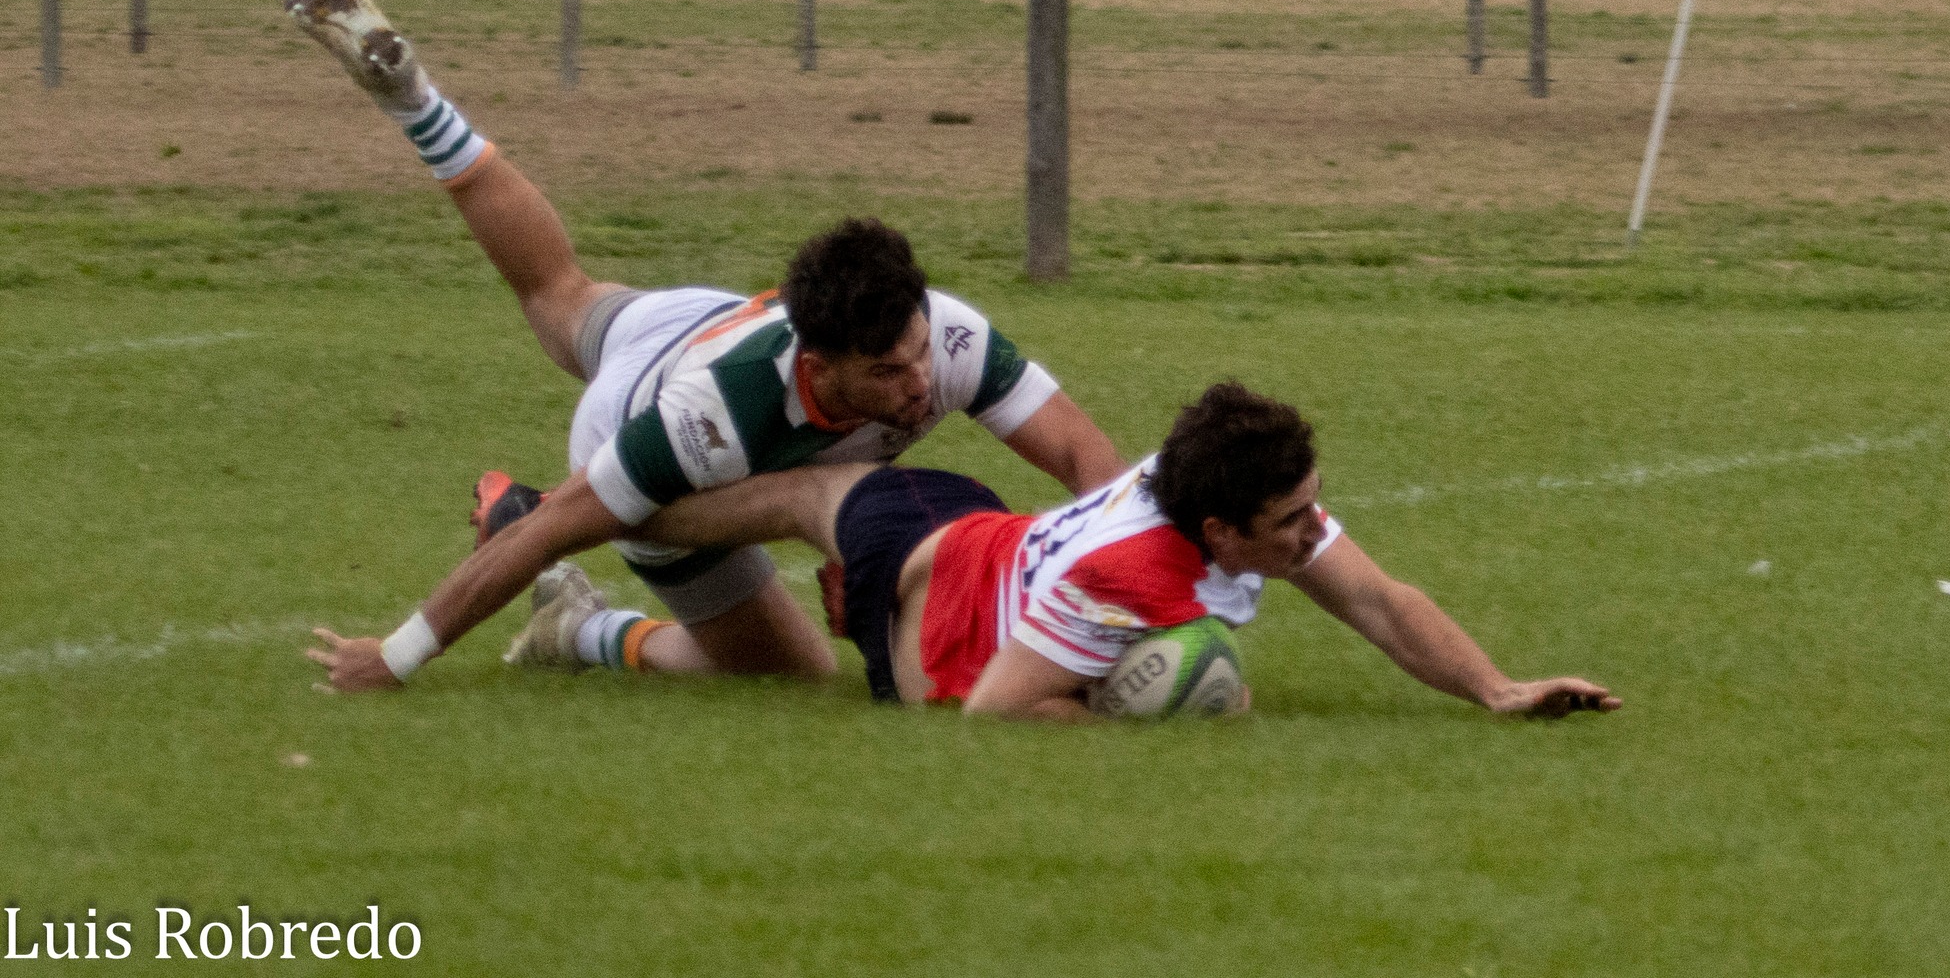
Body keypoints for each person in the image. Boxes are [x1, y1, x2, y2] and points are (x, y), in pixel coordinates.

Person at [282, 0, 1124, 686]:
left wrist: (1119, 590)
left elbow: (1089, 460)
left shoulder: (942, 337)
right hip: (640, 419)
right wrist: (392, 657)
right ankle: (576, 626)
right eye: (889, 375)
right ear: (824, 366)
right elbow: (552, 535)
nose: (920, 384)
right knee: (787, 667)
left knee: (558, 287)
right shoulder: (710, 423)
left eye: (917, 354)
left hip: (697, 322)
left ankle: (418, 105)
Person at [314, 378, 1619, 725]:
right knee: (786, 502)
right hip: (912, 581)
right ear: (1218, 531)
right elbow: (996, 710)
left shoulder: (1236, 496)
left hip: (972, 529)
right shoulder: (1134, 580)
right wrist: (1132, 710)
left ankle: (572, 619)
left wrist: (1499, 685)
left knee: (766, 662)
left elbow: (1385, 604)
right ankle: (546, 515)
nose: (1314, 532)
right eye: (1292, 522)